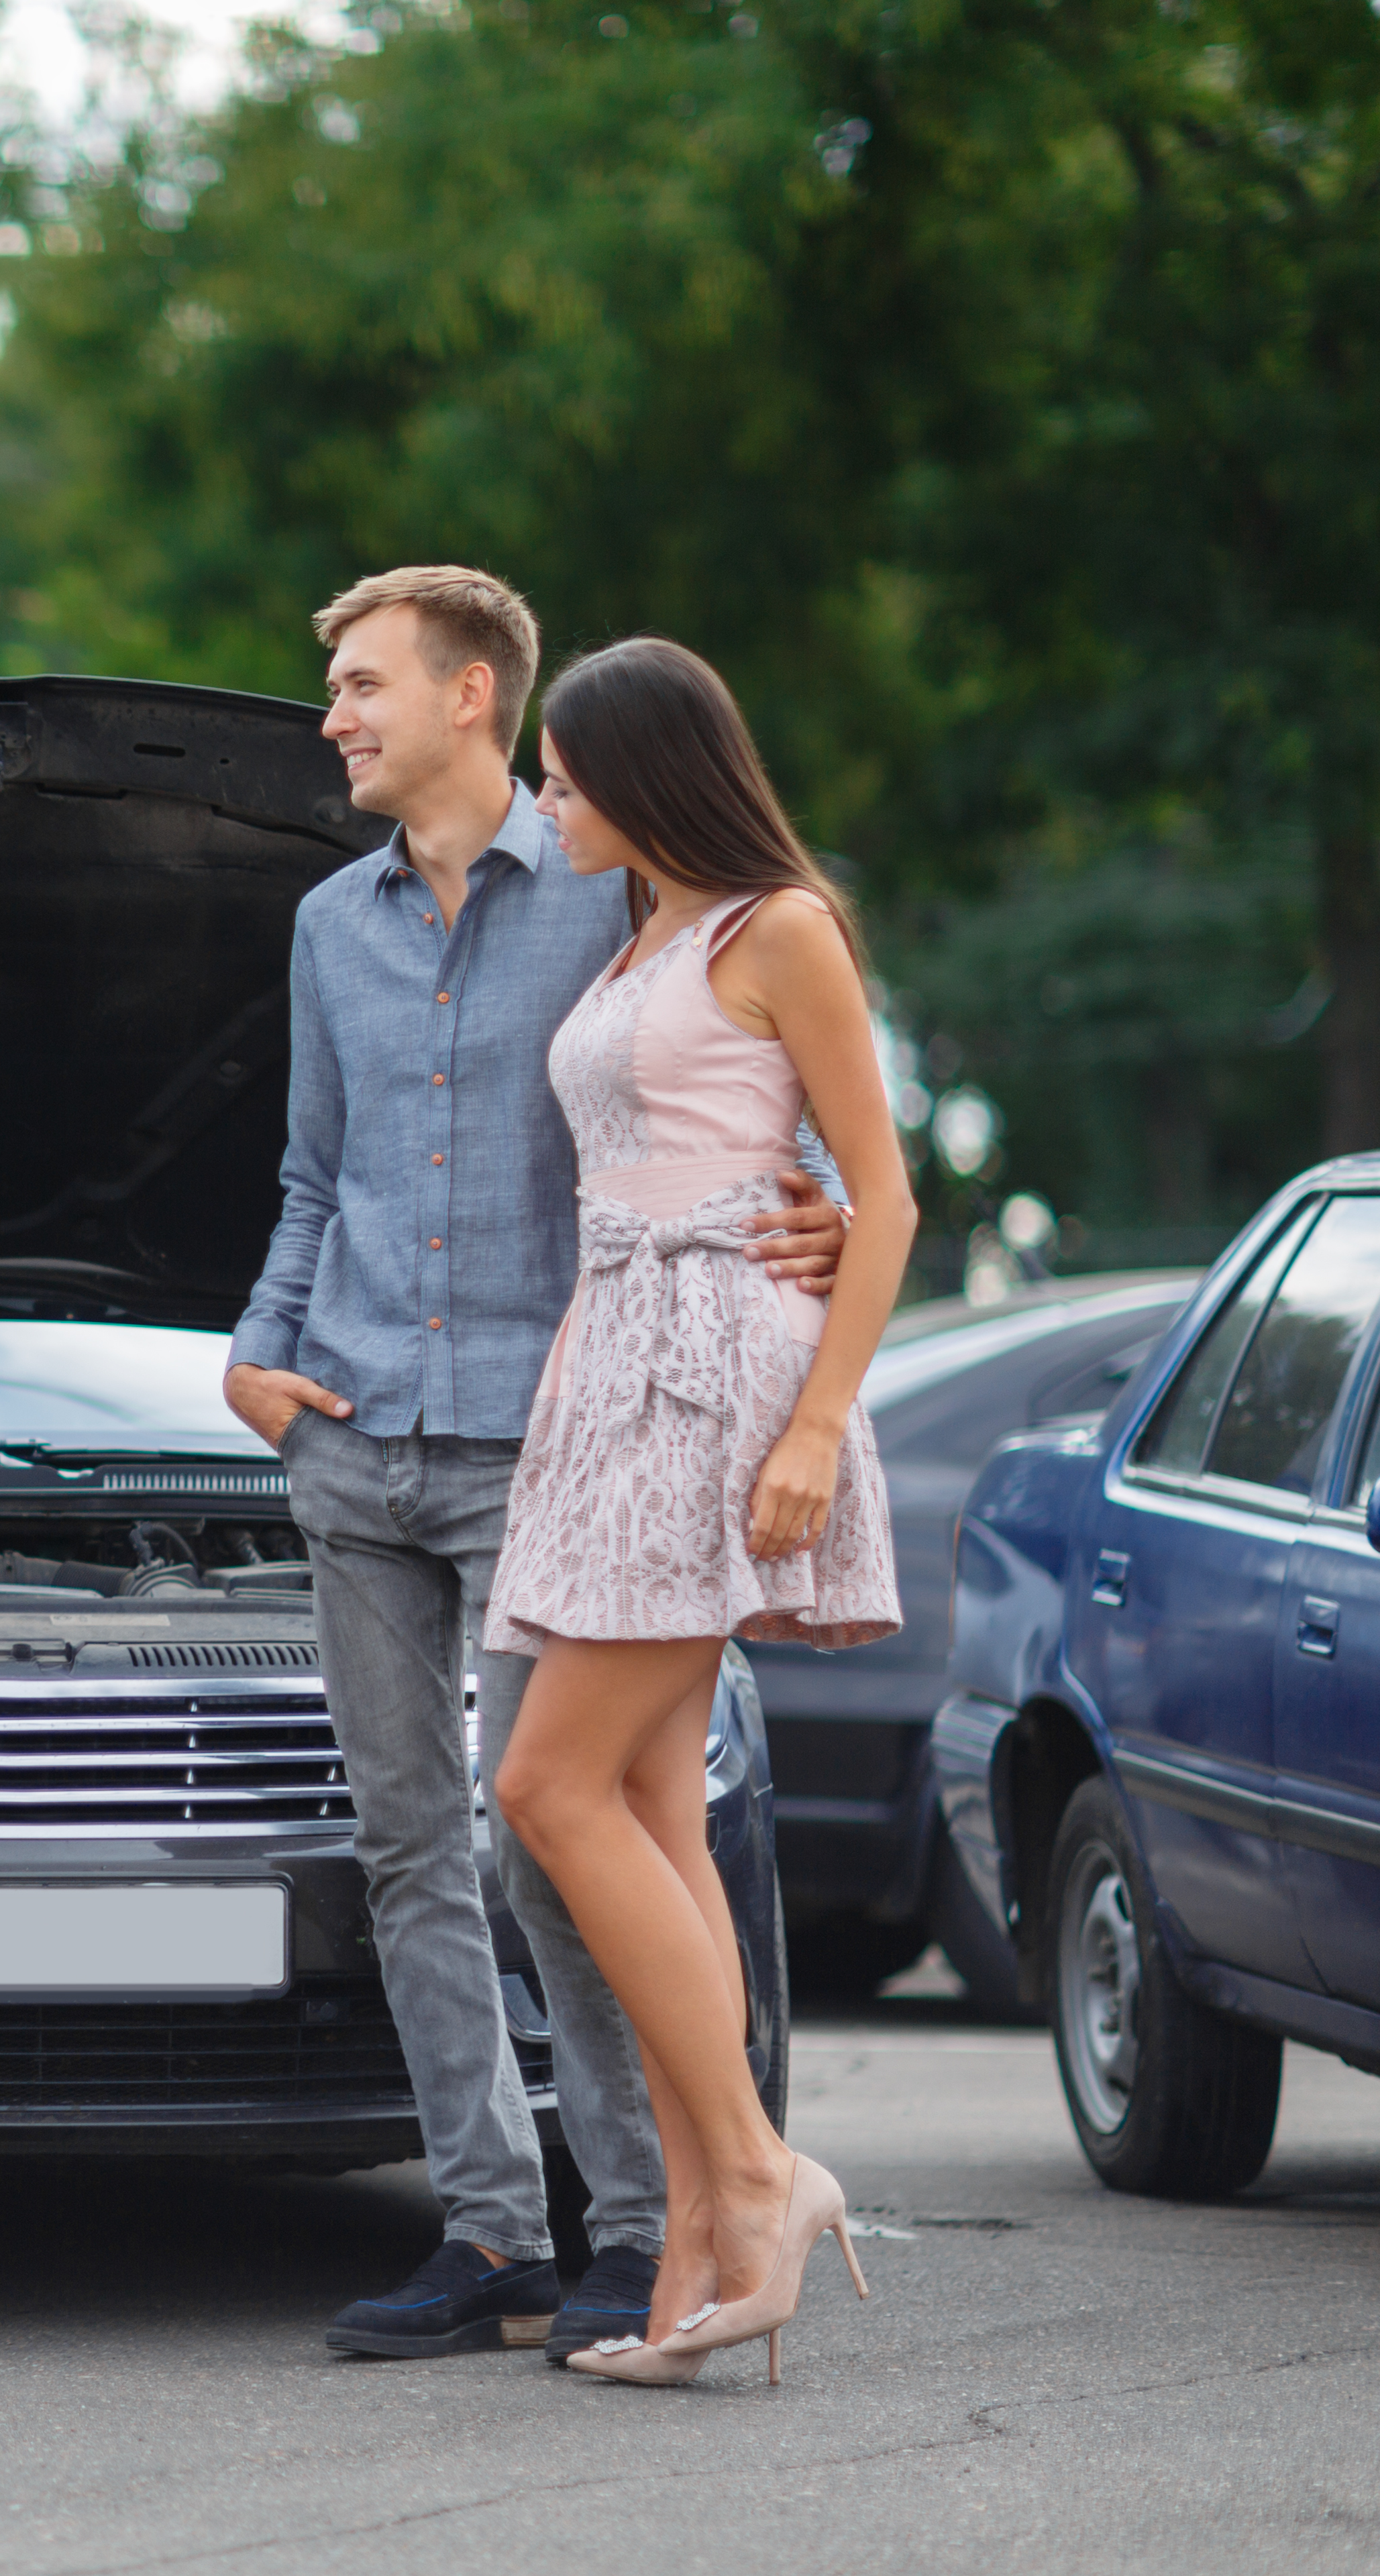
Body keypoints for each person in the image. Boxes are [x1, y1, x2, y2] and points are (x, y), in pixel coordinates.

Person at [223, 568, 849, 2367]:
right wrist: (259, 1357)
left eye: (358, 685)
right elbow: (311, 1175)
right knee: (410, 1844)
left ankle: (648, 2214)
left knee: (546, 1841)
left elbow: (739, 1091)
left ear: (472, 694)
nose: (332, 714)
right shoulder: (326, 924)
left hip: (557, 1441)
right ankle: (491, 2232)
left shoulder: (605, 889)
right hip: (352, 1436)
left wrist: (802, 1221)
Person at [484, 637, 910, 2386]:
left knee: (546, 1786)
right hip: (604, 1374)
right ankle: (689, 2264)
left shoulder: (776, 926)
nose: (550, 801)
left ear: (652, 776)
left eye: (569, 775)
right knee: (649, 1805)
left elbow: (880, 1202)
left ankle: (762, 2171)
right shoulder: (634, 933)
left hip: (717, 1374)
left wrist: (816, 1425)